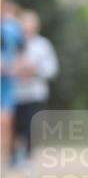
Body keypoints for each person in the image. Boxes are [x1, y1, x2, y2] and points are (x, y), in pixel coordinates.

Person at [12, 10, 59, 167]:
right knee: (17, 126)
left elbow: (52, 69)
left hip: (36, 94)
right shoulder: (13, 44)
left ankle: (28, 158)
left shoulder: (43, 45)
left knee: (32, 126)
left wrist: (35, 70)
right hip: (16, 93)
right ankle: (15, 156)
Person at [1, 0, 25, 169]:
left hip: (6, 83)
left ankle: (4, 160)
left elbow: (20, 52)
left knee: (6, 122)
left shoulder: (12, 29)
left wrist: (14, 66)